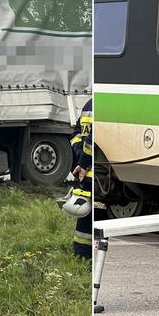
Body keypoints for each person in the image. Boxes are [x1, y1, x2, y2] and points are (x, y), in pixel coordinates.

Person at [63, 98, 93, 259]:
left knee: (85, 216)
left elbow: (75, 135)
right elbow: (92, 140)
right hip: (94, 172)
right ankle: (85, 257)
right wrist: (84, 161)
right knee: (89, 216)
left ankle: (81, 255)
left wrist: (79, 152)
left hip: (85, 174)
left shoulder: (88, 105)